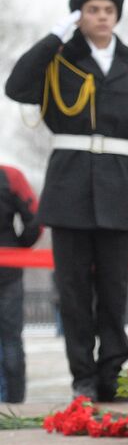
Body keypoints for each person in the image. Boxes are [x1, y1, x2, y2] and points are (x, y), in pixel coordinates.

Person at [4, 0, 128, 401]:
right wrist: (55, 37)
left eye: (108, 10)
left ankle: (112, 374)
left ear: (117, 17)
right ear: (78, 16)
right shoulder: (59, 59)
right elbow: (16, 87)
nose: (102, 17)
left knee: (112, 290)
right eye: (92, 10)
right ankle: (83, 378)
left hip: (120, 189)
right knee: (72, 292)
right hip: (70, 186)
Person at [0, 164, 41, 403]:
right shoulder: (10, 176)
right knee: (11, 338)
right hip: (7, 266)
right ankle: (13, 402)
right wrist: (19, 248)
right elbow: (36, 219)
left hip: (8, 267)